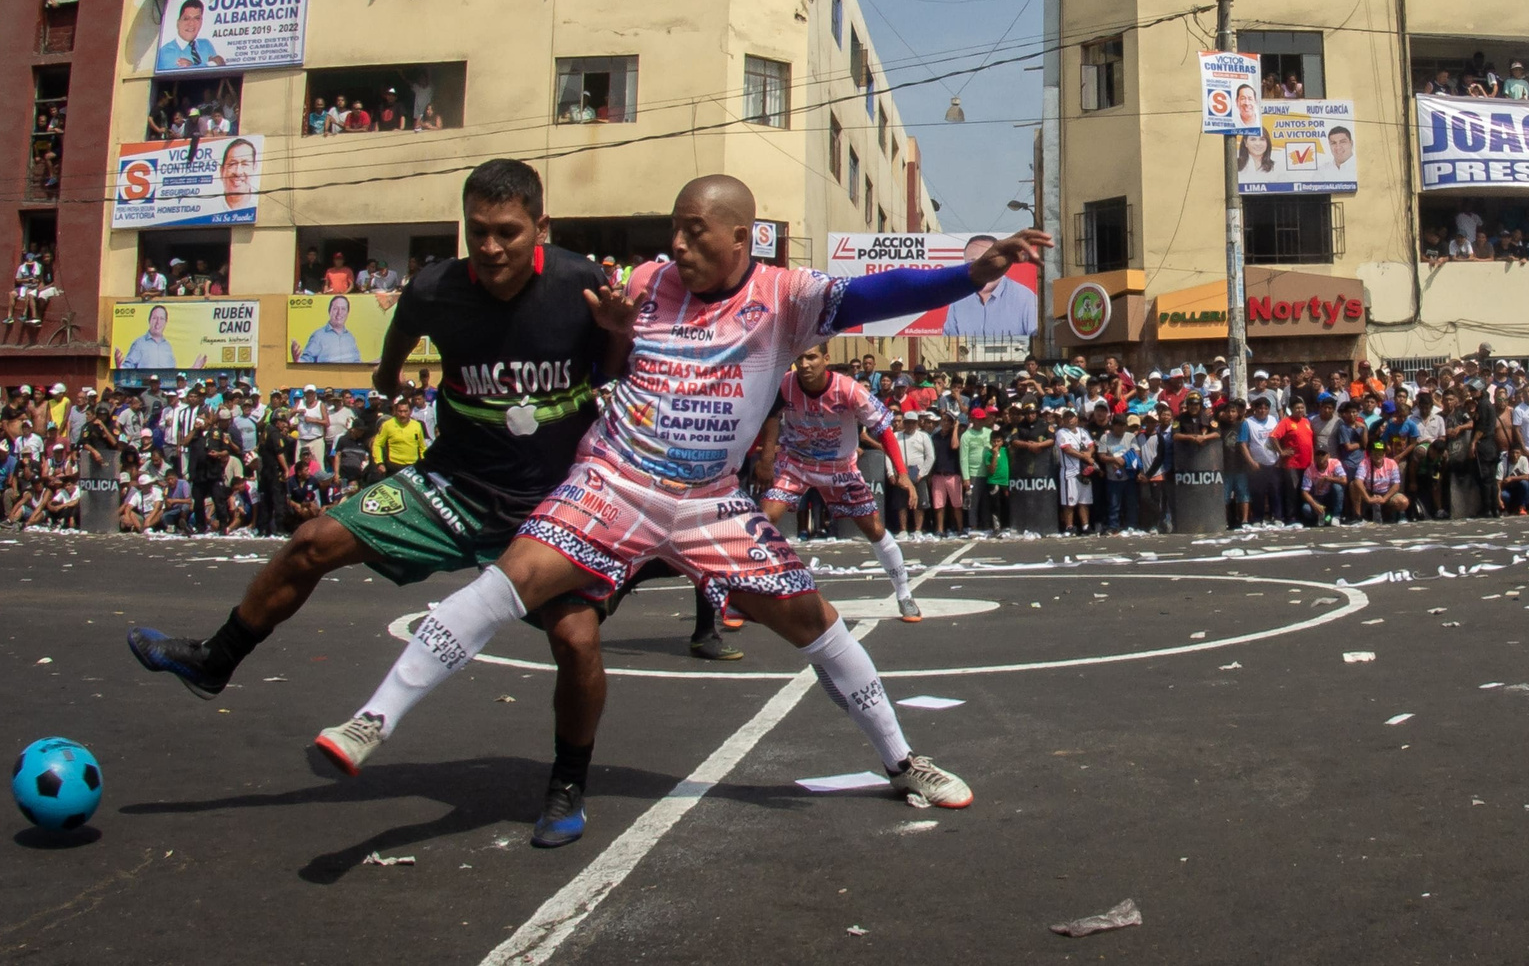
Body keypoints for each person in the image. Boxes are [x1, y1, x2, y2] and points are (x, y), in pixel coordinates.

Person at [310, 172, 1050, 826]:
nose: (677, 245)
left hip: (709, 500)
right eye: (673, 230)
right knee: (511, 580)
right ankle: (373, 719)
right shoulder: (646, 281)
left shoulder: (786, 297)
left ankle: (900, 761)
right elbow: (600, 361)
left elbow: (877, 293)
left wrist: (968, 271)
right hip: (616, 477)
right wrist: (613, 338)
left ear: (740, 238)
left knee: (818, 625)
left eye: (694, 233)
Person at [129, 160, 685, 852]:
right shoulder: (432, 289)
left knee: (576, 640)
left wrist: (618, 333)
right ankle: (216, 657)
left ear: (540, 226)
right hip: (453, 485)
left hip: (556, 504)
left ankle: (567, 782)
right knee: (312, 541)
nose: (491, 248)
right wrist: (406, 380)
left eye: (508, 232)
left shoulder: (580, 283)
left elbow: (622, 372)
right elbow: (388, 369)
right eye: (476, 231)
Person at [752, 344, 922, 620]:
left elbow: (884, 429)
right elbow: (772, 416)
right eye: (800, 358)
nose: (804, 364)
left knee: (875, 529)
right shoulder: (786, 383)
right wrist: (766, 459)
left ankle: (904, 594)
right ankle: (742, 597)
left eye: (811, 357)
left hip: (840, 468)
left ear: (826, 359)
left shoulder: (850, 389)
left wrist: (902, 473)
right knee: (760, 523)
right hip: (796, 463)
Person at [942, 235, 1039, 336]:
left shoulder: (1026, 300)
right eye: (973, 263)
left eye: (989, 261)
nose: (982, 268)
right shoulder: (958, 300)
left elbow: (1040, 344)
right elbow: (948, 341)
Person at [157, 0, 228, 72]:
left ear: (201, 22)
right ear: (178, 23)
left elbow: (218, 69)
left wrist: (192, 66)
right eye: (186, 18)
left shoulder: (205, 44)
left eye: (197, 18)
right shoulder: (166, 51)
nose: (191, 24)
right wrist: (211, 64)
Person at [296, 292, 364, 364]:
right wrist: (297, 360)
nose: (339, 312)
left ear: (347, 313)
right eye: (335, 309)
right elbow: (306, 360)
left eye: (343, 309)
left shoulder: (350, 337)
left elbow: (357, 363)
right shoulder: (318, 336)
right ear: (329, 311)